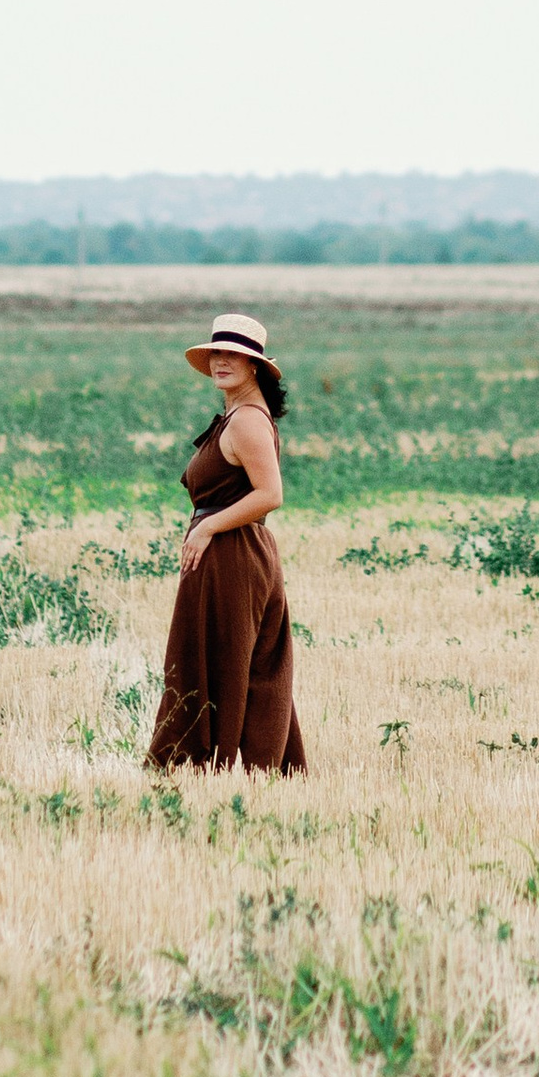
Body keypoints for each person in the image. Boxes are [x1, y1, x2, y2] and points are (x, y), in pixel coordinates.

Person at [146, 310, 307, 773]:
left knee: (222, 663)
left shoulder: (247, 422)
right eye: (217, 352)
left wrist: (209, 527)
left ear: (254, 364)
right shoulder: (236, 416)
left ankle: (199, 765)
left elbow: (270, 495)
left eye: (233, 354)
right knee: (228, 661)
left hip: (234, 556)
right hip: (230, 554)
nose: (222, 360)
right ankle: (253, 770)